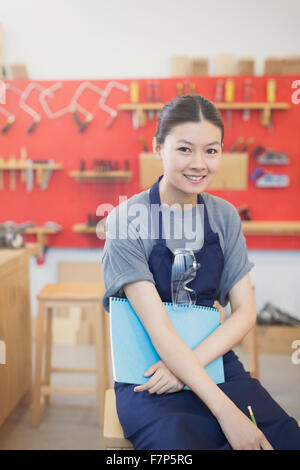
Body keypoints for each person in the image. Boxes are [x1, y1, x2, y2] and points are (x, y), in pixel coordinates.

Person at [101, 94, 300, 450]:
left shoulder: (224, 216)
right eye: (184, 149)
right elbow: (159, 328)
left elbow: (245, 311)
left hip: (215, 363)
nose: (199, 163)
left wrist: (187, 369)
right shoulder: (127, 221)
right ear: (158, 147)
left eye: (211, 150)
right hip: (149, 376)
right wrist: (227, 413)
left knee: (284, 436)